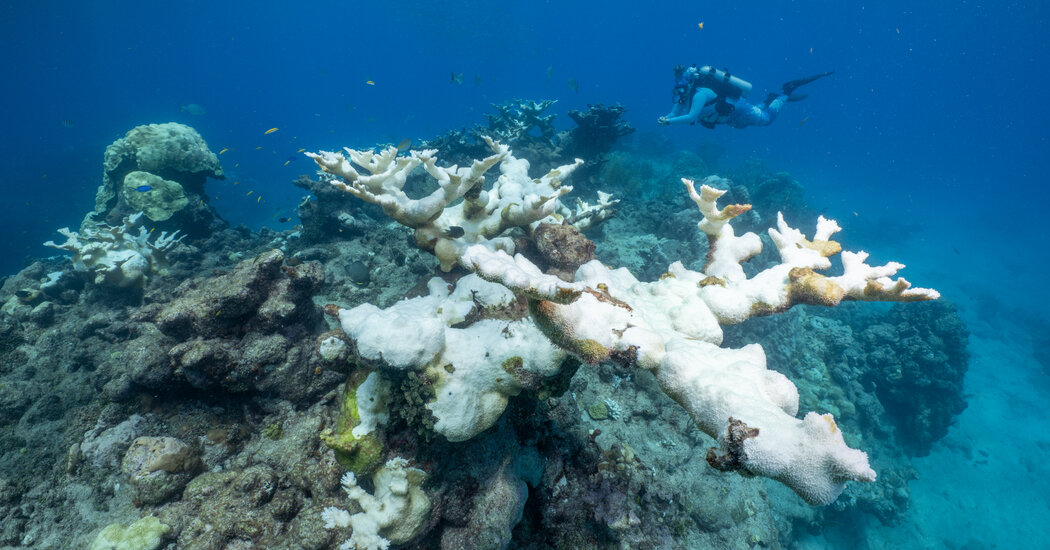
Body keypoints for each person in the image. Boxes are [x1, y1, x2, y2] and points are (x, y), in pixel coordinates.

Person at [657, 65, 833, 129]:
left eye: (682, 88)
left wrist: (668, 123)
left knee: (766, 120)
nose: (680, 92)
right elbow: (674, 113)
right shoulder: (685, 96)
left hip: (738, 108)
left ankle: (785, 92)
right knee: (744, 124)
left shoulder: (699, 94)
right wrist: (666, 118)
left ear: (689, 84)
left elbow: (691, 117)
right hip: (729, 117)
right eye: (677, 89)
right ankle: (769, 100)